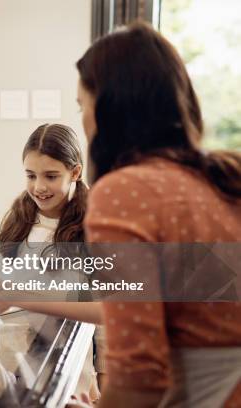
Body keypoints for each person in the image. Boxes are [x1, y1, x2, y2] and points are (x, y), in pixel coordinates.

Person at [69, 22, 241, 407]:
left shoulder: (125, 192)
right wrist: (10, 283)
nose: (83, 120)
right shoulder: (221, 178)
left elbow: (140, 378)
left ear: (111, 108)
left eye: (83, 106)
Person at [0, 123, 103, 400]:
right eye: (31, 175)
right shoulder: (22, 216)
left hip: (66, 365)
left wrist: (103, 379)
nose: (39, 187)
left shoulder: (93, 225)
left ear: (75, 172)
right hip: (18, 355)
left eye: (51, 176)